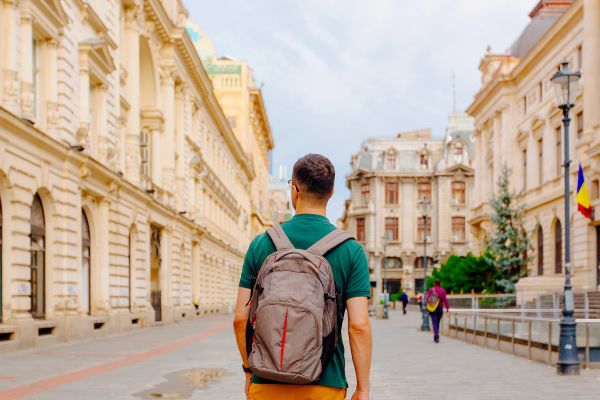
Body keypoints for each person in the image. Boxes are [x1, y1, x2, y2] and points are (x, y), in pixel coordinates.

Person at [233, 154, 372, 400]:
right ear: (330, 193)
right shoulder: (351, 250)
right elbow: (359, 326)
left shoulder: (260, 244)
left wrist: (248, 369)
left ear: (294, 190)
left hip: (266, 381)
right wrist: (363, 387)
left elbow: (240, 319)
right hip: (325, 384)